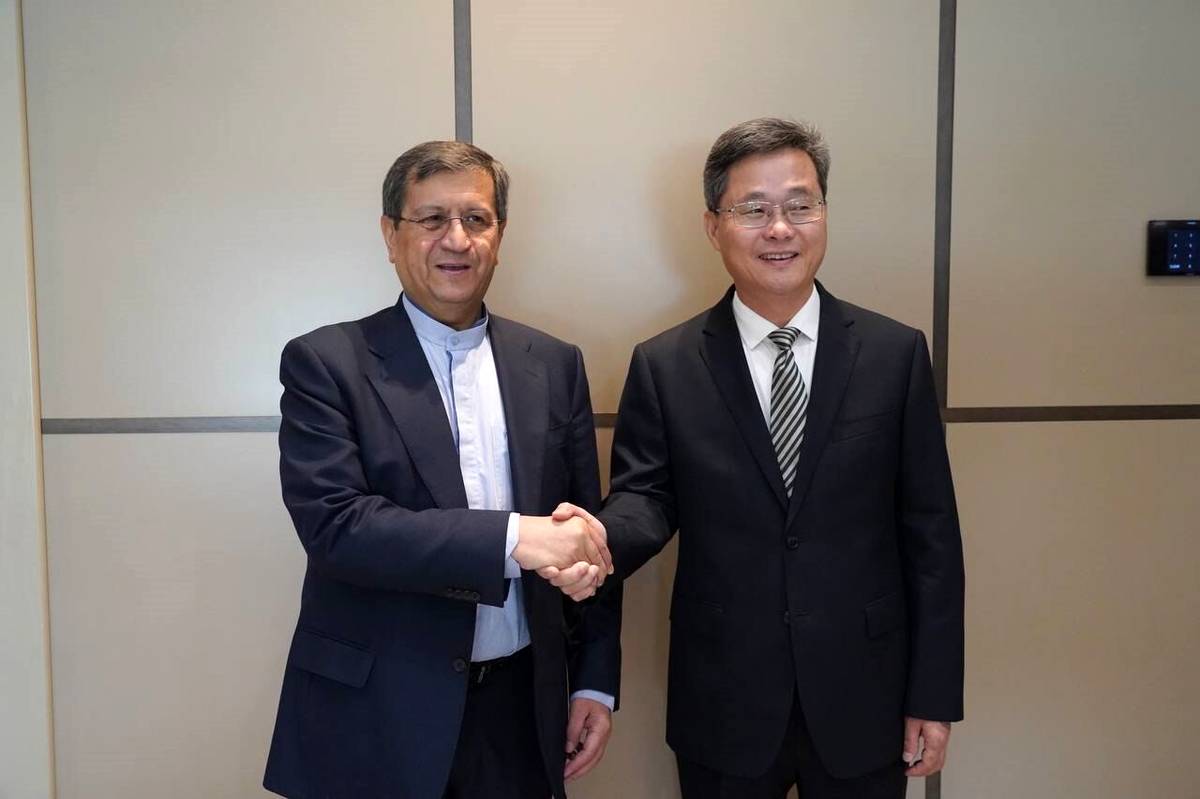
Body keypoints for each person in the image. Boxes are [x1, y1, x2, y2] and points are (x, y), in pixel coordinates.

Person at [548, 117, 965, 798]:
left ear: (824, 214)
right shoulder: (665, 365)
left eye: (801, 205)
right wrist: (593, 540)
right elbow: (645, 501)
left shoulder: (896, 355)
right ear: (713, 226)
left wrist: (934, 693)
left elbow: (932, 536)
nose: (780, 229)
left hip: (867, 693)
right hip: (724, 696)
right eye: (753, 209)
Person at [263, 140, 621, 799]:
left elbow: (585, 532)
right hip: (377, 714)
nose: (456, 239)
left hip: (521, 711)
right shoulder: (326, 362)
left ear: (499, 234)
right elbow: (338, 528)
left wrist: (594, 681)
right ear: (390, 235)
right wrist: (516, 537)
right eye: (432, 219)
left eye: (476, 219)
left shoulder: (554, 363)